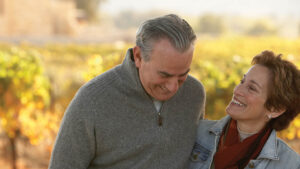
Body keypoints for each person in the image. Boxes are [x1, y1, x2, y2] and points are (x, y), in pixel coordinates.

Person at [48, 14, 206, 169]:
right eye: (164, 75)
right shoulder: (91, 101)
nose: (173, 87)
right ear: (138, 56)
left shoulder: (195, 94)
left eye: (182, 76)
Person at [189, 50, 300, 169]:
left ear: (275, 109)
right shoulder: (196, 133)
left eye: (251, 88)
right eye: (242, 81)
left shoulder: (290, 164)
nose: (237, 90)